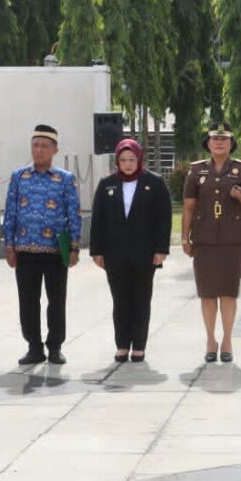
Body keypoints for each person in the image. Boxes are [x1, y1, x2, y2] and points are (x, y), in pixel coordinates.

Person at [181, 122, 241, 363]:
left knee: (228, 291)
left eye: (224, 139)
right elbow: (188, 208)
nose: (219, 142)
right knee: (207, 293)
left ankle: (226, 339)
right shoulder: (196, 171)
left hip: (232, 239)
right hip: (204, 239)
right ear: (207, 143)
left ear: (231, 143)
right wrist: (185, 237)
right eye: (215, 138)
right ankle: (210, 339)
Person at [3, 124, 82, 366]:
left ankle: (55, 346)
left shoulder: (65, 179)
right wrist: (9, 245)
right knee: (28, 301)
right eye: (35, 145)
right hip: (25, 249)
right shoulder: (19, 177)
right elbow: (11, 211)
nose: (38, 150)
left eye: (44, 146)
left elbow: (73, 213)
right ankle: (34, 346)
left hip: (55, 250)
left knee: (56, 300)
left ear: (55, 149)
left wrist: (75, 247)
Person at [89, 138, 172, 363]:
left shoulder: (154, 183)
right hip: (114, 254)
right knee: (120, 300)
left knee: (141, 299)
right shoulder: (107, 184)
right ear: (117, 160)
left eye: (132, 159)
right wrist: (97, 250)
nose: (127, 164)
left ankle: (139, 346)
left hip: (145, 253)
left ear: (139, 159)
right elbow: (98, 219)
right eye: (123, 160)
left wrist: (161, 249)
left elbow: (164, 218)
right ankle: (122, 344)